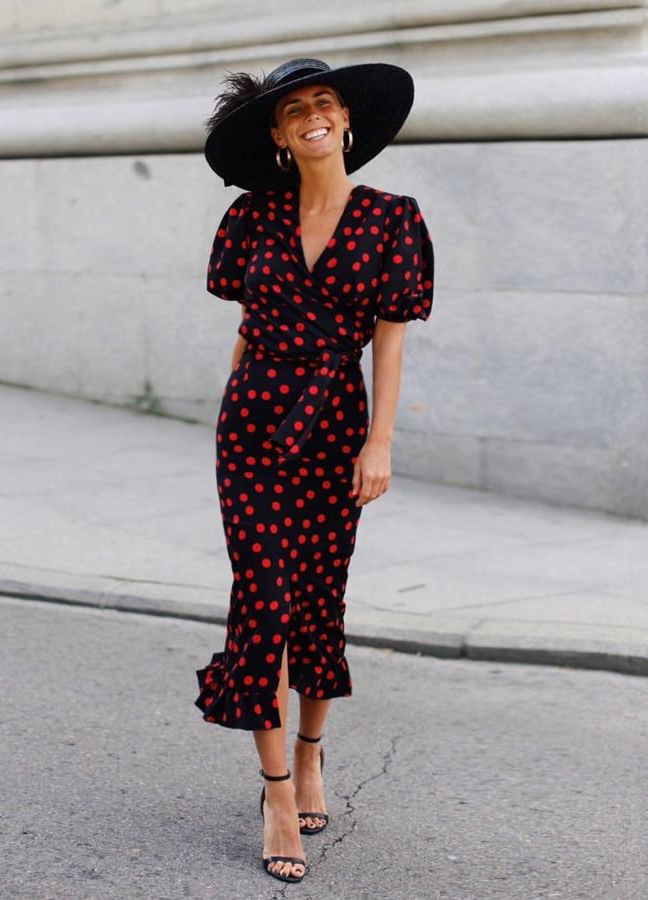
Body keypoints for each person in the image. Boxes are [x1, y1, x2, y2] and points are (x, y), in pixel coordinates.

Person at [194, 57, 435, 884]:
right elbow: (246, 324)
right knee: (261, 603)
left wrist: (381, 443)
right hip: (254, 429)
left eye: (324, 103)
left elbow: (392, 343)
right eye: (294, 110)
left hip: (335, 429)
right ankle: (271, 794)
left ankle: (308, 756)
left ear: (347, 121)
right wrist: (231, 405)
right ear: (277, 134)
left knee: (315, 600)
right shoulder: (249, 220)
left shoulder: (393, 219)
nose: (312, 117)